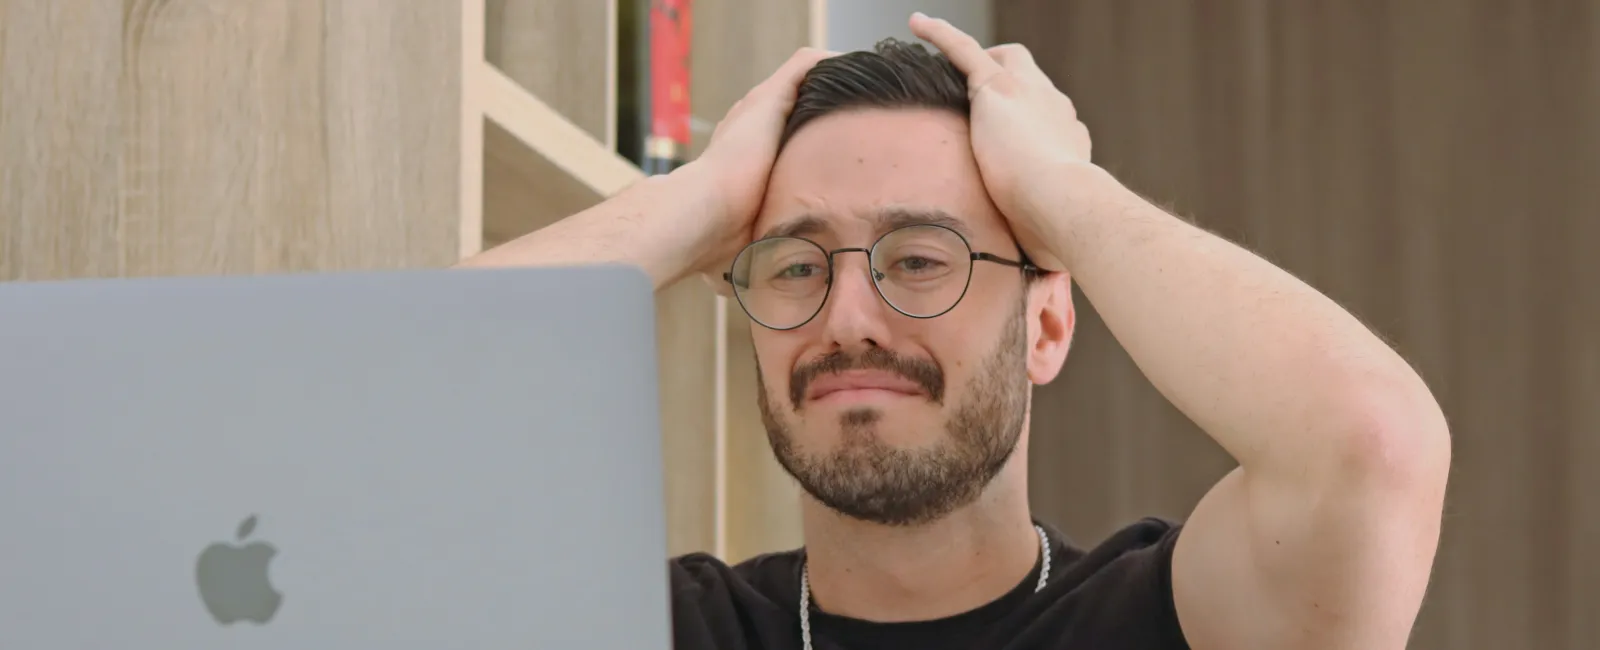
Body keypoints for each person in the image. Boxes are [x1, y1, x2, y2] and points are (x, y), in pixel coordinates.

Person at [460, 13, 1451, 650]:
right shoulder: (660, 631)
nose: (847, 318)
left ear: (1047, 324)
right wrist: (699, 196)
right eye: (797, 266)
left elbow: (1370, 443)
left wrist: (1062, 189)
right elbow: (344, 442)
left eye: (920, 260)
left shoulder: (1175, 623)